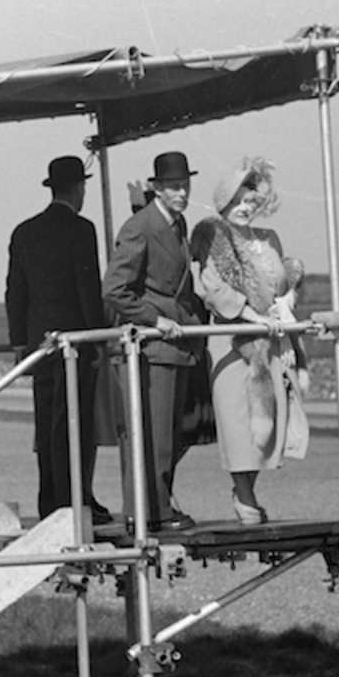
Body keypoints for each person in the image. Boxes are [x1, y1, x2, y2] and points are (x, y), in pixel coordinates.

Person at [189, 157, 309, 524]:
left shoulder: (269, 238)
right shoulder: (212, 234)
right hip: (230, 339)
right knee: (238, 421)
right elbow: (210, 285)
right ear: (224, 201)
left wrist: (285, 304)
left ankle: (248, 490)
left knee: (269, 419)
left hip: (271, 338)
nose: (244, 208)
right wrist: (250, 314)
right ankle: (244, 496)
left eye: (250, 202)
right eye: (237, 201)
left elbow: (282, 283)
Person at [102, 151, 205, 532]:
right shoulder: (140, 227)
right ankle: (153, 512)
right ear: (157, 189)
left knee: (165, 434)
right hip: (151, 348)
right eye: (174, 187)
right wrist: (154, 320)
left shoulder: (177, 224)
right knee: (154, 435)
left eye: (186, 186)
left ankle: (153, 507)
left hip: (174, 345)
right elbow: (114, 290)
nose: (182, 193)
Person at [5, 155, 111, 525]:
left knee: (47, 422)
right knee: (75, 423)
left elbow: (15, 292)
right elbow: (87, 289)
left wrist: (20, 341)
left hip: (39, 344)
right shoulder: (82, 229)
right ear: (79, 188)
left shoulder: (25, 231)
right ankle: (74, 499)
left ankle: (51, 498)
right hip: (75, 342)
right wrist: (99, 337)